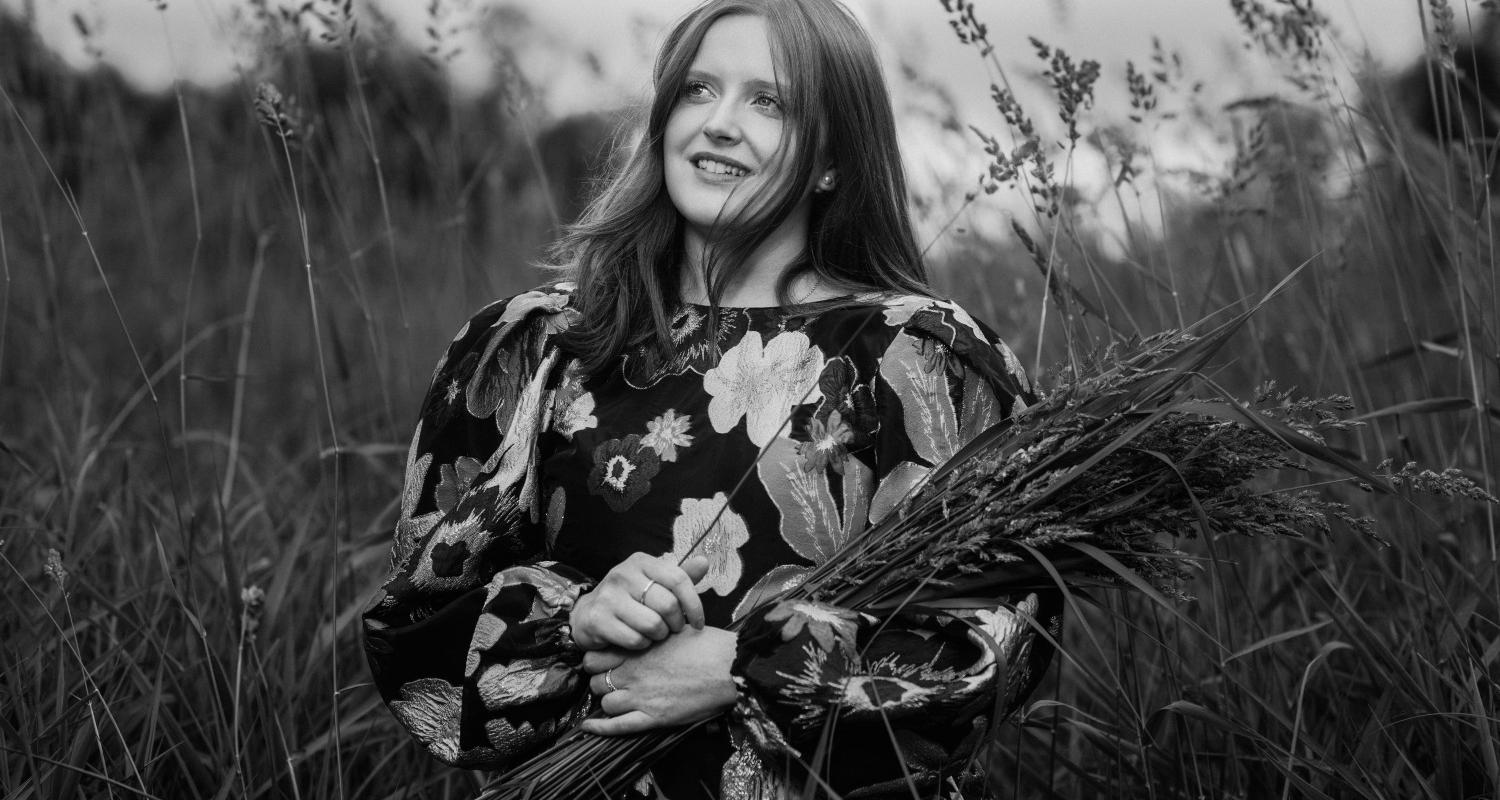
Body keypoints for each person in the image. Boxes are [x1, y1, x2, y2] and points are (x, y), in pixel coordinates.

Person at [361, 0, 1061, 797]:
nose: (719, 124)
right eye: (698, 90)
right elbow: (414, 629)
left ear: (834, 159)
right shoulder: (536, 346)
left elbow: (996, 642)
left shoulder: (921, 357)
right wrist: (576, 618)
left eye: (770, 102)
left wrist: (745, 667)